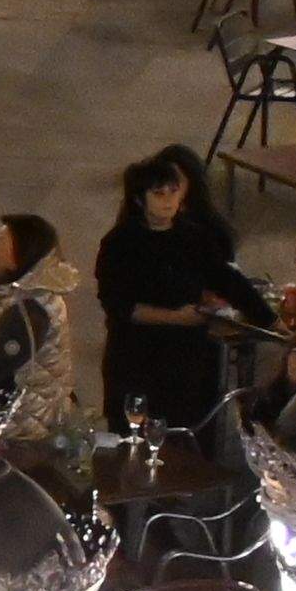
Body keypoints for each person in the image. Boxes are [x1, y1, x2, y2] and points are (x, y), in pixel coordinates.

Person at [94, 149, 270, 430]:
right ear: (140, 200)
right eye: (159, 194)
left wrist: (268, 318)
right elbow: (120, 305)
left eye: (173, 192)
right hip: (135, 356)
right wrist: (177, 318)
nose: (169, 201)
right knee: (132, 434)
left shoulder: (192, 236)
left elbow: (226, 278)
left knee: (181, 433)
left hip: (184, 359)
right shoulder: (120, 243)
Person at [0, 215, 88, 437]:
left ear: (21, 254)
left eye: (1, 242)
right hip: (7, 419)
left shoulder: (30, 307)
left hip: (19, 428)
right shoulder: (6, 292)